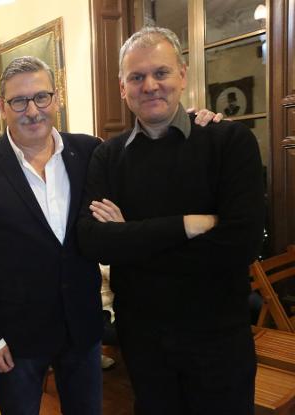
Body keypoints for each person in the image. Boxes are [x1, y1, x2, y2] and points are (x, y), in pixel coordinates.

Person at [76, 27, 264, 415]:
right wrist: (185, 226)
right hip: (144, 344)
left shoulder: (230, 142)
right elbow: (94, 241)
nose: (150, 86)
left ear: (182, 73)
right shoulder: (106, 157)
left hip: (218, 339)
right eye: (136, 77)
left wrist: (130, 237)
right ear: (122, 87)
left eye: (160, 73)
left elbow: (241, 244)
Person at [0, 56, 104, 414]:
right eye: (19, 101)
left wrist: (193, 122)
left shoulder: (89, 152)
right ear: (3, 107)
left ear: (56, 99)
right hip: (15, 339)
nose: (32, 110)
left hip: (82, 326)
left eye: (41, 97)